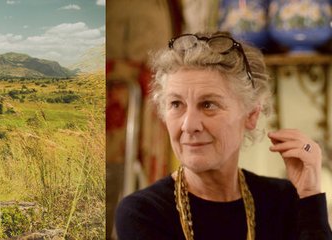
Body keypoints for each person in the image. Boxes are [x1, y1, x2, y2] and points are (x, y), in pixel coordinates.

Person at [115, 32, 332, 239]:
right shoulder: (143, 213)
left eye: (208, 104)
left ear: (251, 115)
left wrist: (310, 194)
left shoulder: (283, 201)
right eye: (176, 104)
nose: (189, 125)